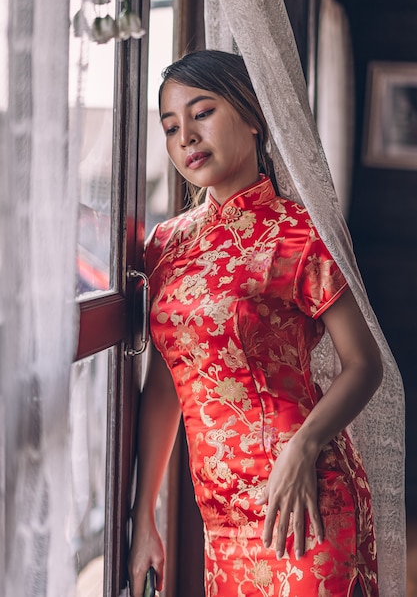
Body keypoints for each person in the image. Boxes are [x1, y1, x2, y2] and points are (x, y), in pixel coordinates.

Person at [128, 50, 383, 597]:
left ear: (251, 115)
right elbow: (169, 384)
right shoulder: (166, 246)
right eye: (171, 127)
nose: (186, 137)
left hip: (304, 497)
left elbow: (364, 365)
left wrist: (304, 448)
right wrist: (143, 514)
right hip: (218, 514)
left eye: (202, 113)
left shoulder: (298, 233)